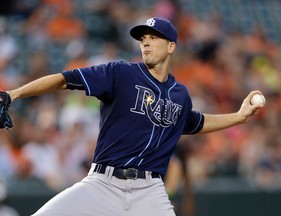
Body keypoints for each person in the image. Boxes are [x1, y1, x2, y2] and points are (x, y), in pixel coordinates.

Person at [4, 17, 264, 216]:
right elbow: (64, 80)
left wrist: (239, 117)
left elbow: (195, 123)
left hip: (149, 191)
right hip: (102, 184)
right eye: (143, 39)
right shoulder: (120, 74)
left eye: (153, 37)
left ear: (171, 46)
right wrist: (14, 94)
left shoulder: (179, 94)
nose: (146, 43)